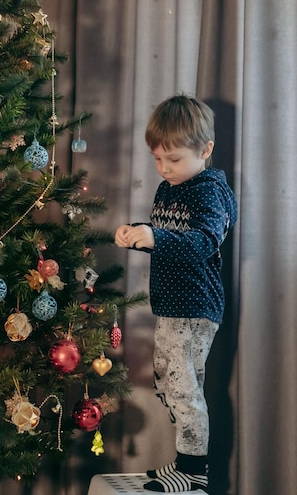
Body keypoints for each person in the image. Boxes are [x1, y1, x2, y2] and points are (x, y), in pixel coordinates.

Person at [115, 94, 237, 493]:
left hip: (195, 307)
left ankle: (194, 473)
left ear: (206, 150)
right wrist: (138, 233)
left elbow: (202, 242)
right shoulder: (171, 188)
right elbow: (167, 234)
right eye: (157, 160)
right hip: (171, 305)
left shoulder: (208, 191)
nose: (164, 169)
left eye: (174, 160)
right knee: (170, 382)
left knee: (185, 389)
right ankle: (185, 461)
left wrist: (155, 237)